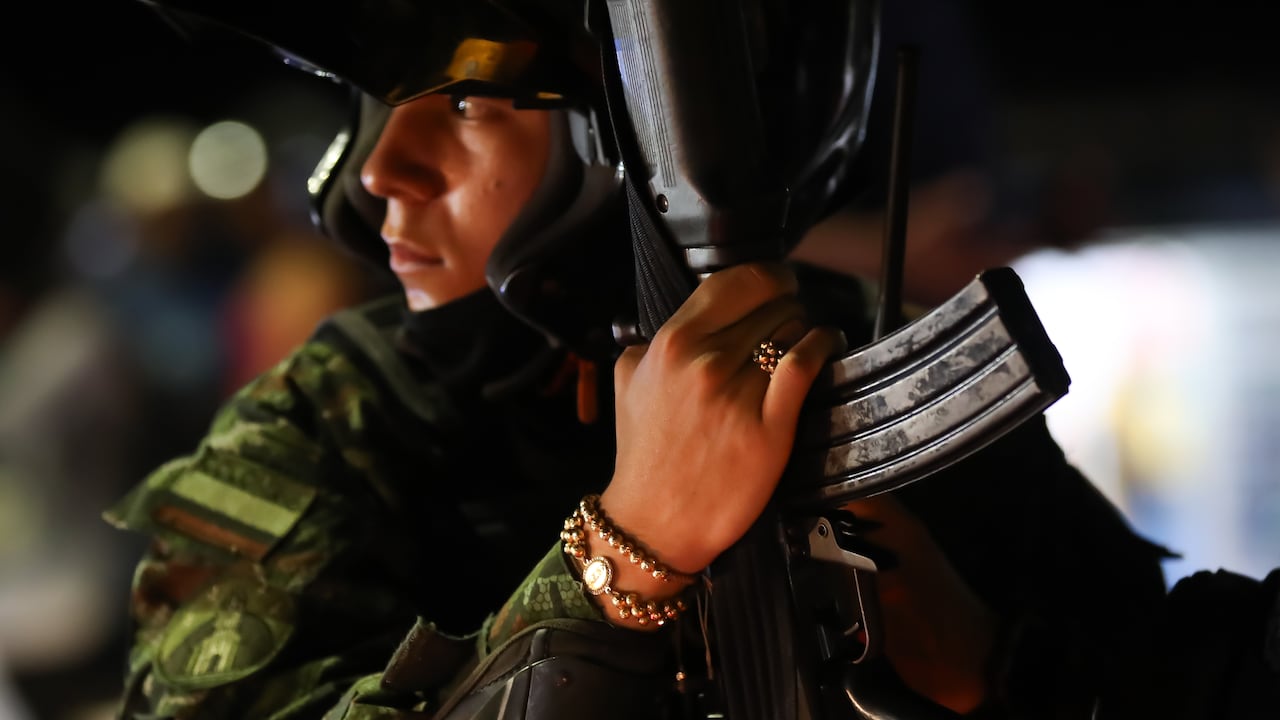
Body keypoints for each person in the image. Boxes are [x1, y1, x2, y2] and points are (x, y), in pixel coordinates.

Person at [102, 1, 1171, 718]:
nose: (384, 170)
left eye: (466, 105)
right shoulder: (332, 420)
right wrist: (622, 561)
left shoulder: (870, 353)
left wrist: (990, 666)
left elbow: (1143, 663)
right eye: (373, 113)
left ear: (629, 141)